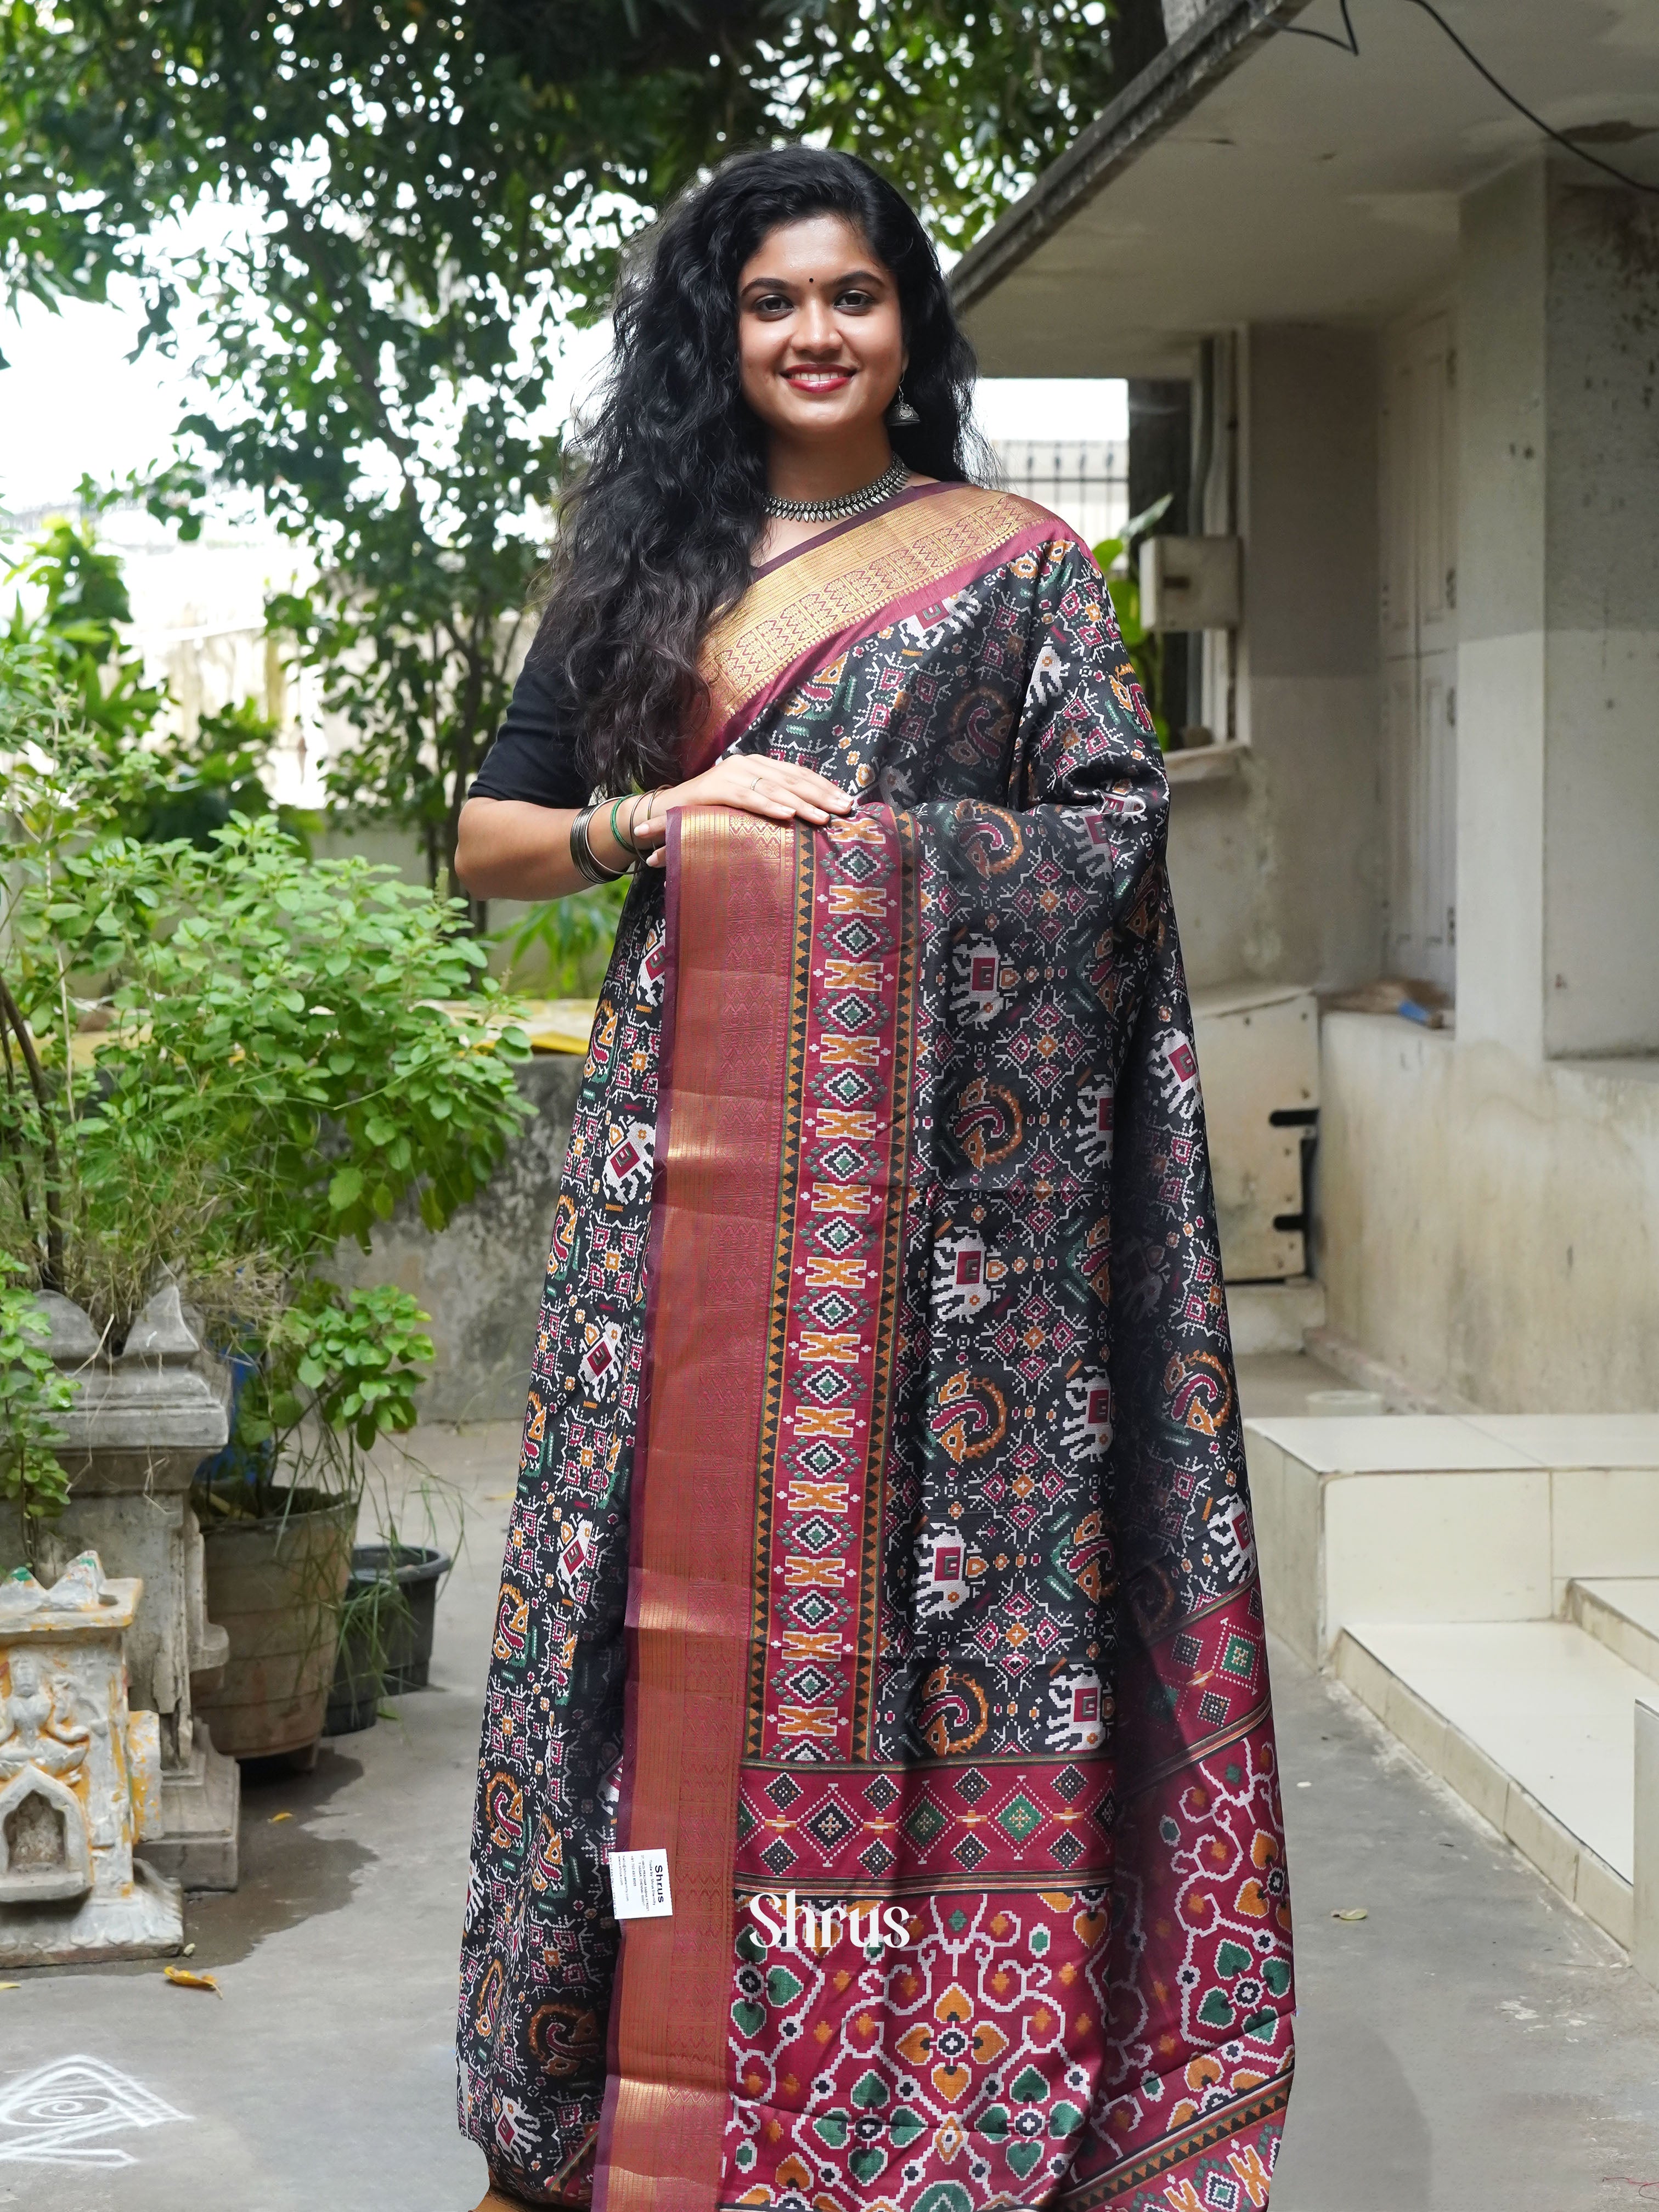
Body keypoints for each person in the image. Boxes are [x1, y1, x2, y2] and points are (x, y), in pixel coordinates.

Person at [455, 146, 1294, 2212]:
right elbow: (491, 839)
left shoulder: (1016, 565)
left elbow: (1112, 838)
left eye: (852, 295)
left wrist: (879, 872)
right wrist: (682, 811)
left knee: (949, 1621)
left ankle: (928, 2079)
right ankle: (646, 2084)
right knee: (654, 1606)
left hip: (960, 1247)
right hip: (689, 1201)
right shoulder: (645, 572)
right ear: (719, 338)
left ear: (908, 322)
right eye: (771, 304)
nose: (814, 334)